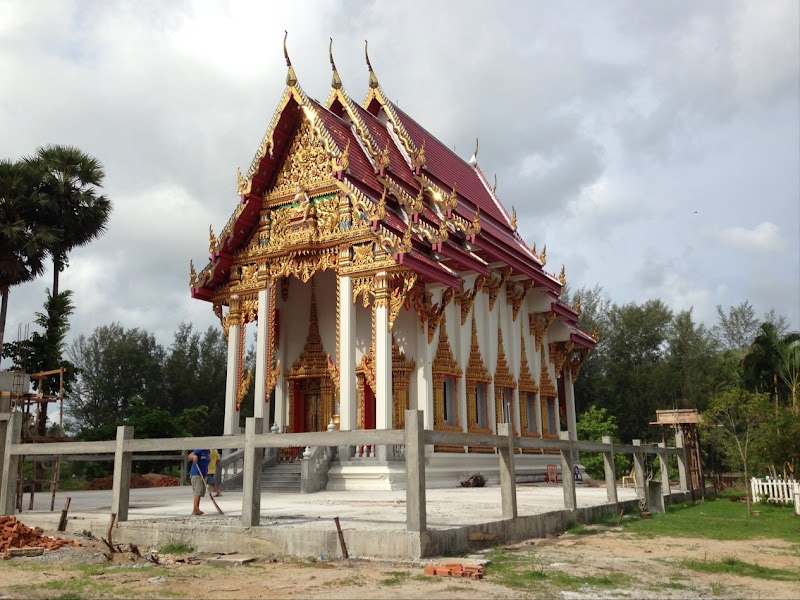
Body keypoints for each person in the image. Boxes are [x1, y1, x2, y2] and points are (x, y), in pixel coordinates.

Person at [187, 449, 210, 515]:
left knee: (200, 492)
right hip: (196, 473)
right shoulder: (199, 449)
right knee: (198, 491)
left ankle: (196, 508)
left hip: (204, 473)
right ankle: (195, 509)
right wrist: (194, 457)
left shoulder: (208, 451)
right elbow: (190, 456)